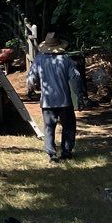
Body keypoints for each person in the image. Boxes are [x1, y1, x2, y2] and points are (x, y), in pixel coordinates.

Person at [27, 32, 84, 162]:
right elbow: (76, 77)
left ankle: (52, 154)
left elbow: (31, 78)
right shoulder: (66, 59)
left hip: (47, 101)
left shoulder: (39, 60)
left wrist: (30, 90)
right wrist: (80, 95)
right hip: (65, 100)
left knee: (49, 127)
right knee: (68, 127)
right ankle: (66, 152)